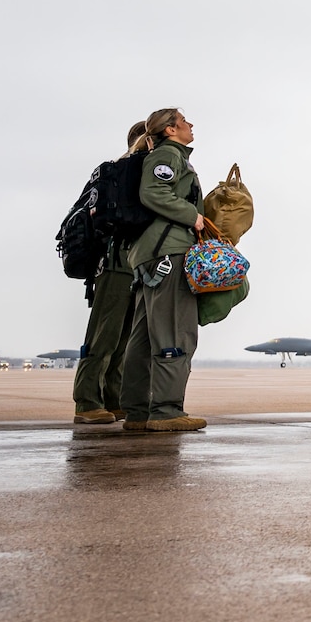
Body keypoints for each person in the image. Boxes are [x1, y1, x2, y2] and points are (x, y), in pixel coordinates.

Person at [121, 107, 210, 433]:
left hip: (150, 254)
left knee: (143, 338)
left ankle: (137, 411)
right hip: (169, 253)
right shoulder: (169, 155)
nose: (191, 125)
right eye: (185, 121)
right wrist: (192, 215)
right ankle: (167, 411)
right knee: (175, 331)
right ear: (171, 129)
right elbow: (153, 191)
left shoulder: (165, 154)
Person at [72, 120, 147, 425]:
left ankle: (113, 399)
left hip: (134, 261)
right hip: (117, 260)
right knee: (105, 334)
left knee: (124, 337)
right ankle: (86, 400)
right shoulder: (125, 171)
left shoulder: (128, 171)